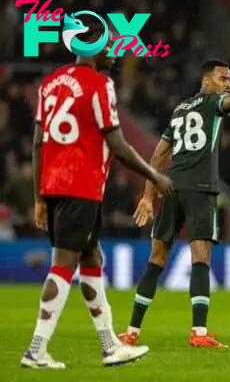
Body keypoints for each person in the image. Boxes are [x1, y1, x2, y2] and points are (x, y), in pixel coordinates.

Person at [22, 24, 173, 369]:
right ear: (92, 48)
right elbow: (117, 146)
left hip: (55, 185)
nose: (114, 53)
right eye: (109, 47)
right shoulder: (100, 85)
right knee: (63, 265)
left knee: (91, 259)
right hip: (81, 185)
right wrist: (154, 175)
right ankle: (36, 349)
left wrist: (39, 198)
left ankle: (110, 346)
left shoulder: (49, 84)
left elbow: (37, 143)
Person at [119, 58, 230, 348]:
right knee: (200, 258)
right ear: (207, 81)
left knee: (155, 261)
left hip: (172, 186)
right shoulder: (213, 103)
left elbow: (157, 156)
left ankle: (131, 331)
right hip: (200, 189)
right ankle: (199, 333)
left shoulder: (179, 109)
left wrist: (149, 197)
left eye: (229, 79)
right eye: (223, 79)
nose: (228, 85)